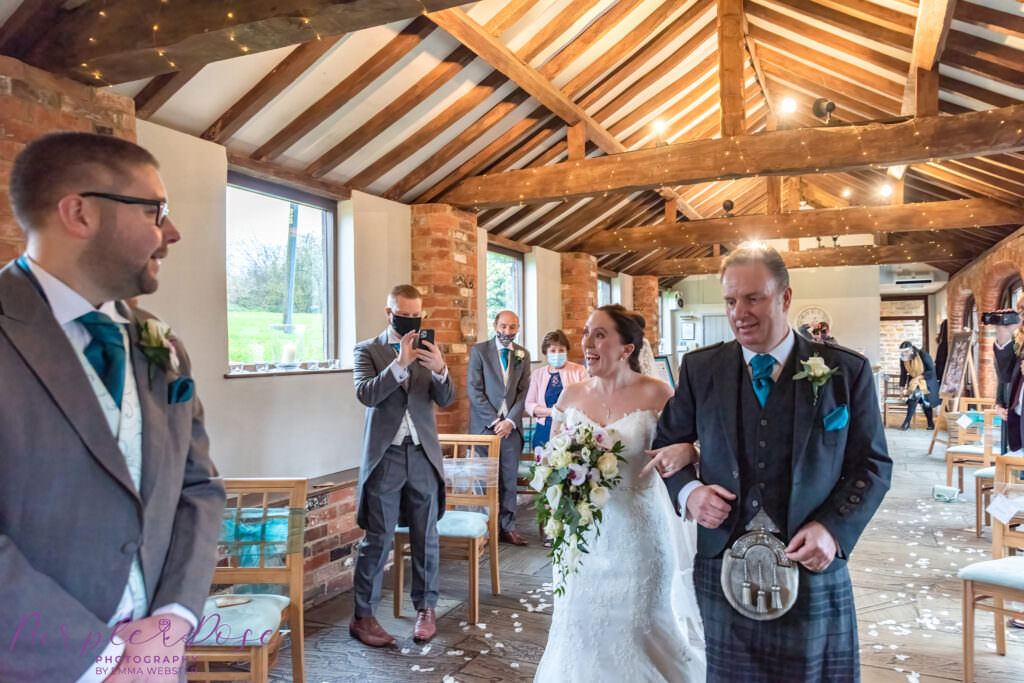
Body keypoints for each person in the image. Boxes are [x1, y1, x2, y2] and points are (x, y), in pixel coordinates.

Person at [0, 132, 226, 682]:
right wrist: (98, 658)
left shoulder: (159, 344)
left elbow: (198, 489)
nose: (170, 234)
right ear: (79, 213)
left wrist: (171, 622)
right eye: (155, 211)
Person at [650, 243, 891, 682]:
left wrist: (833, 530)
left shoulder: (844, 370)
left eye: (753, 298)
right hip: (723, 559)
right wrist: (691, 492)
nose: (739, 312)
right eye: (730, 300)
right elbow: (668, 441)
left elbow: (872, 465)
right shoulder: (701, 369)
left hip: (811, 561)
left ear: (784, 298)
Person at [534, 305, 705, 682]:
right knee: (579, 626)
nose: (587, 343)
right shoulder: (571, 396)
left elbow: (696, 444)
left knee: (637, 626)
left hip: (638, 537)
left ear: (627, 349)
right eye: (585, 333)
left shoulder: (658, 393)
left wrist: (691, 451)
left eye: (599, 334)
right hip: (581, 539)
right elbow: (551, 461)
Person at [350, 284, 454, 647]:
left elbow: (447, 398)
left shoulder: (430, 349)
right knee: (377, 539)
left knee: (426, 534)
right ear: (388, 311)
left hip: (423, 454)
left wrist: (440, 369)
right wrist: (399, 364)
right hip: (386, 456)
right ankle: (363, 616)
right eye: (403, 314)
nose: (410, 320)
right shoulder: (368, 349)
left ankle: (426, 608)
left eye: (416, 315)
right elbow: (366, 394)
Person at [467, 310, 531, 545]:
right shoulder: (479, 352)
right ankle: (484, 529)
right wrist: (495, 422)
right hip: (485, 428)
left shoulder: (523, 355)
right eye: (503, 326)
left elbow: (524, 392)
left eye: (512, 326)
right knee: (483, 480)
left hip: (511, 429)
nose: (508, 331)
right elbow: (474, 390)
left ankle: (508, 527)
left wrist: (510, 421)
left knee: (509, 480)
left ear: (518, 327)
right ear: (495, 325)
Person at [524, 329, 588, 451]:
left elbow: (586, 401)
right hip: (544, 428)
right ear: (546, 353)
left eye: (561, 350)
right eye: (553, 351)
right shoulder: (538, 374)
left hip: (570, 428)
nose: (557, 354)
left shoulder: (579, 371)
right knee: (544, 466)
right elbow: (529, 404)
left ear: (566, 351)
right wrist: (553, 412)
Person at [898, 341, 939, 430]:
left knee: (923, 401)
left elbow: (931, 371)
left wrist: (917, 378)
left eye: (906, 352)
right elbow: (903, 374)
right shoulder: (903, 359)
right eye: (902, 352)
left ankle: (909, 423)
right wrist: (901, 389)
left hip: (926, 381)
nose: (904, 354)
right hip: (914, 383)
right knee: (917, 399)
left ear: (911, 350)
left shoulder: (923, 355)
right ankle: (908, 423)